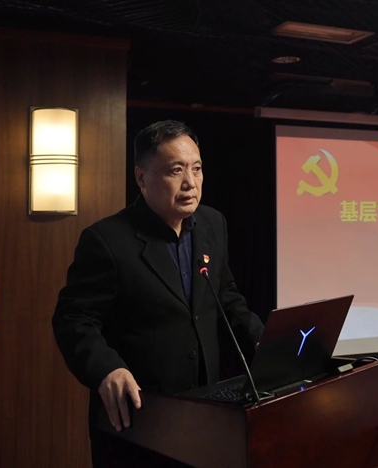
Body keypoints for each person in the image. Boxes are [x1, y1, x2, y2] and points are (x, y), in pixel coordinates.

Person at [52, 120, 265, 467]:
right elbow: (74, 319)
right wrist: (107, 369)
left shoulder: (212, 224)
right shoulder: (107, 240)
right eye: (175, 171)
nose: (190, 183)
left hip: (205, 412)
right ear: (141, 177)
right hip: (140, 421)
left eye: (197, 169)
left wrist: (264, 341)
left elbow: (225, 294)